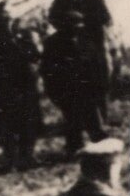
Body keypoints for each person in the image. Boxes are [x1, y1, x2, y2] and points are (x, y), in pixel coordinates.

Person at [0, 3, 44, 170]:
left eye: (8, 17)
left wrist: (32, 44)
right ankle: (9, 159)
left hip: (25, 84)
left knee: (28, 120)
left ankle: (27, 157)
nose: (6, 21)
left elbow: (36, 56)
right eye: (2, 18)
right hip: (6, 85)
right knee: (6, 123)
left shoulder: (24, 35)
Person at [49, 0, 114, 113]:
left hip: (92, 40)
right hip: (69, 42)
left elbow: (105, 17)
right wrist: (66, 23)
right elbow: (52, 17)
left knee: (97, 76)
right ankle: (75, 114)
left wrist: (84, 20)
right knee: (70, 77)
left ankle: (101, 113)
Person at [41, 9, 107, 153]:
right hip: (66, 91)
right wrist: (54, 93)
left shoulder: (86, 41)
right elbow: (47, 70)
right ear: (64, 26)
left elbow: (95, 64)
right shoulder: (52, 43)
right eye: (74, 24)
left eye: (80, 24)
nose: (78, 27)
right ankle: (74, 147)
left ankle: (101, 146)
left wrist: (97, 86)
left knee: (93, 118)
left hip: (86, 89)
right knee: (72, 120)